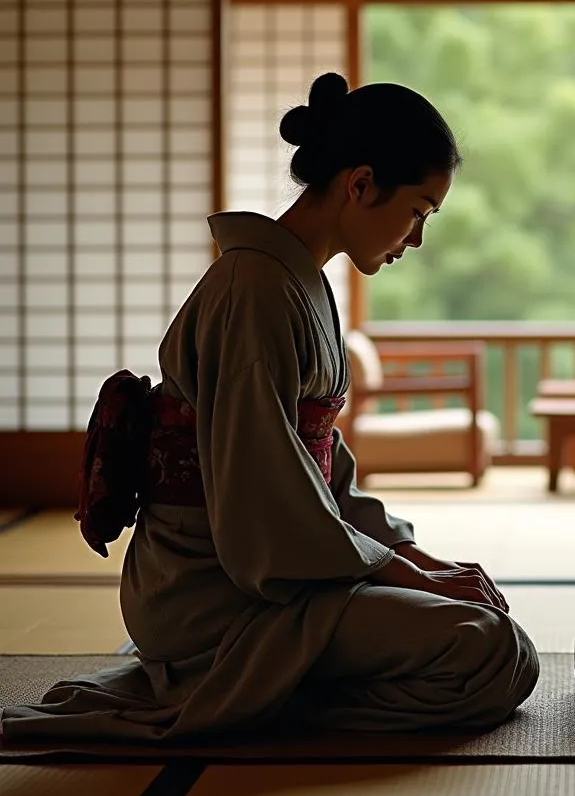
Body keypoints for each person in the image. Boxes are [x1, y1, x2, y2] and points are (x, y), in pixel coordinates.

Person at [0, 72, 539, 743]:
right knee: (487, 653)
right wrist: (396, 568)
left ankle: (261, 700)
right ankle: (243, 704)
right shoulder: (253, 288)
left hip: (276, 572)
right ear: (361, 184)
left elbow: (321, 474)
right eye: (420, 211)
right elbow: (264, 500)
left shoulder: (295, 281)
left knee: (498, 648)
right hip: (214, 591)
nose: (417, 239)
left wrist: (411, 555)